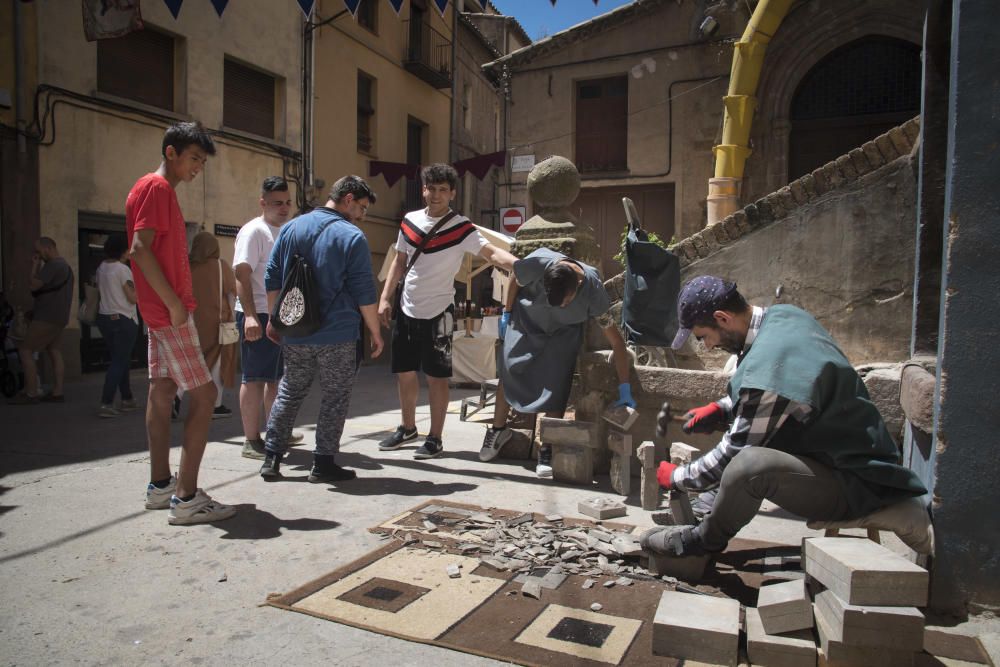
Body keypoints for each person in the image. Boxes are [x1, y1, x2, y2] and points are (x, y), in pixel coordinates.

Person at [641, 276, 928, 557]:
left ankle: (703, 541)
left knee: (749, 466)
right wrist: (723, 408)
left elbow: (733, 452)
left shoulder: (767, 371)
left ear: (723, 318)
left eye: (704, 337)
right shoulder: (785, 318)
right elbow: (784, 394)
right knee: (757, 443)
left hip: (857, 485)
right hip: (853, 460)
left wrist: (677, 477)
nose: (707, 346)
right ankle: (708, 506)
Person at [127, 121, 235, 526]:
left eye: (202, 162)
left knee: (163, 390)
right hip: (169, 310)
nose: (197, 167)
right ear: (170, 152)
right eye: (193, 158)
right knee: (206, 395)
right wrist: (174, 303)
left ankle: (160, 487)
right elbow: (139, 250)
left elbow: (142, 249)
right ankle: (186, 497)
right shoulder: (156, 189)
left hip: (158, 309)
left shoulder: (148, 189)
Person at [376, 164, 516, 459]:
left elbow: (490, 253)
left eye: (443, 190)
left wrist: (518, 265)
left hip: (440, 312)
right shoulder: (409, 222)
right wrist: (385, 299)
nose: (436, 195)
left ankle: (435, 438)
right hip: (406, 307)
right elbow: (399, 263)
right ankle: (407, 427)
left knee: (437, 377)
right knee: (404, 372)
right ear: (423, 190)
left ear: (452, 193)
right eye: (431, 189)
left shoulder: (461, 227)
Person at [259, 175, 384, 482]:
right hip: (338, 333)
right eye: (362, 208)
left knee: (289, 391)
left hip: (296, 330)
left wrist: (277, 318)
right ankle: (323, 462)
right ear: (349, 199)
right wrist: (376, 332)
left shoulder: (291, 227)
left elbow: (272, 276)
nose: (362, 216)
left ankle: (272, 458)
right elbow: (364, 291)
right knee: (335, 396)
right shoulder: (352, 236)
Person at [479, 248, 636, 478]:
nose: (561, 305)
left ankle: (547, 446)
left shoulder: (593, 291)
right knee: (510, 368)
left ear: (576, 287)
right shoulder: (539, 262)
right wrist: (507, 313)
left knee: (557, 382)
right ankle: (498, 430)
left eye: (565, 302)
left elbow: (616, 342)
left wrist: (625, 387)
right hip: (527, 320)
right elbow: (515, 276)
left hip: (563, 333)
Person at [233, 176, 299, 459]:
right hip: (257, 312)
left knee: (276, 379)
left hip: (280, 315)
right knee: (255, 378)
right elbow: (241, 275)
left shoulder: (285, 231)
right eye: (277, 204)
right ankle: (251, 440)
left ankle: (275, 432)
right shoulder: (254, 232)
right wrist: (250, 316)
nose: (284, 209)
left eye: (287, 203)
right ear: (262, 203)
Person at [9, 237, 74, 404]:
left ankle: (31, 393)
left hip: (46, 316)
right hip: (59, 317)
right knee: (54, 350)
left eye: (38, 251)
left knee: (25, 350)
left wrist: (34, 266)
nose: (37, 254)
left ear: (48, 248)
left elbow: (34, 285)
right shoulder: (65, 266)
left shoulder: (53, 265)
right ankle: (57, 392)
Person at [186, 231, 237, 419]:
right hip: (217, 323)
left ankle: (175, 399)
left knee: (188, 363)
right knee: (216, 364)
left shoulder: (187, 266)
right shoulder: (220, 266)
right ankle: (215, 405)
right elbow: (232, 294)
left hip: (190, 322)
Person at [95, 234, 139, 417]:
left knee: (120, 359)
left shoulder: (101, 268)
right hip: (123, 319)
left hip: (105, 318)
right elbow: (132, 297)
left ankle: (127, 398)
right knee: (120, 361)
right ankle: (106, 402)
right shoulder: (122, 270)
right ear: (123, 250)